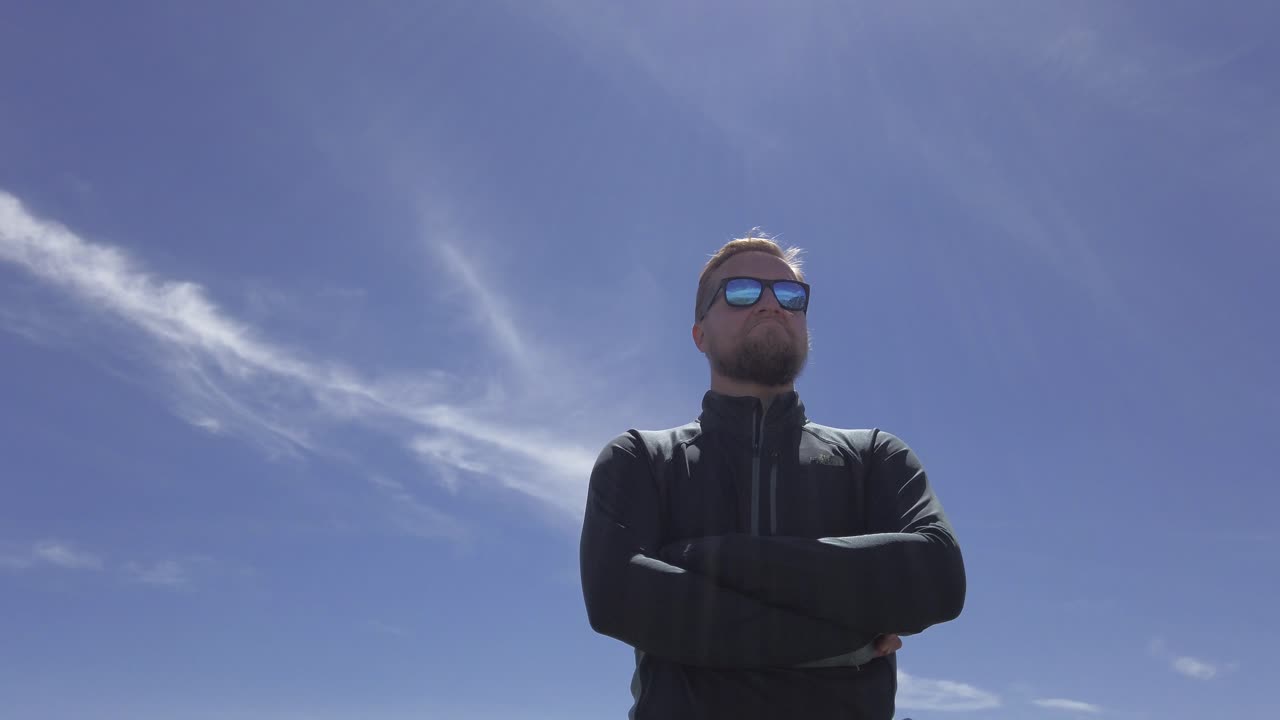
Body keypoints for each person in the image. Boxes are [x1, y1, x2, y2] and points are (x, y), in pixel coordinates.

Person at [579, 232, 967, 720]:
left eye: (789, 296)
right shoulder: (641, 460)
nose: (770, 305)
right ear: (700, 333)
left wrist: (703, 557)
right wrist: (852, 639)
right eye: (743, 291)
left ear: (805, 324)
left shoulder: (874, 458)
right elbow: (618, 598)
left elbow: (938, 578)